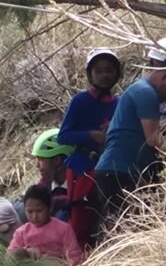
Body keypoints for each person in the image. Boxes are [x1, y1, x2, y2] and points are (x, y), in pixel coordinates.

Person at [93, 38, 166, 229]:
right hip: (120, 171)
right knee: (124, 229)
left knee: (125, 227)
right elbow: (153, 139)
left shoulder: (140, 89)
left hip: (119, 170)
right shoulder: (146, 94)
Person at [57, 48, 120, 247]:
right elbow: (63, 136)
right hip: (82, 167)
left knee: (107, 214)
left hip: (108, 167)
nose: (104, 75)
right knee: (79, 217)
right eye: (98, 71)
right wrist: (91, 135)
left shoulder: (119, 103)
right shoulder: (80, 102)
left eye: (109, 70)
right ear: (90, 74)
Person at [7, 185, 83, 265]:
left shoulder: (64, 229)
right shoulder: (21, 233)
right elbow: (9, 256)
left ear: (50, 207)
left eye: (39, 211)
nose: (34, 216)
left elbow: (75, 256)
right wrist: (26, 251)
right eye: (30, 211)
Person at [31, 128, 73, 221]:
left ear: (57, 160)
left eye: (41, 159)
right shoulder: (44, 184)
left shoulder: (79, 180)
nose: (37, 165)